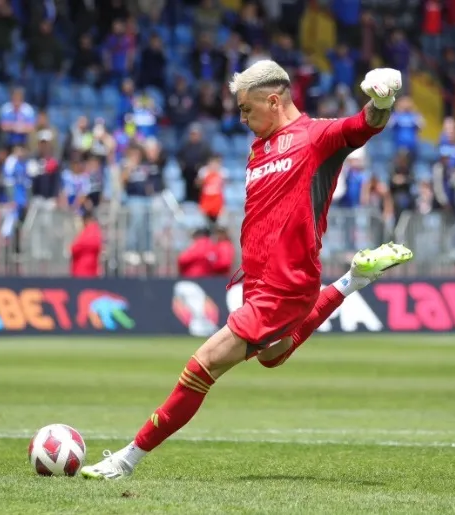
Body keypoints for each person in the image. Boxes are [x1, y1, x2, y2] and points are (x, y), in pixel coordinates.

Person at [80, 61, 414, 480]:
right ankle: (352, 280)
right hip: (256, 284)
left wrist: (381, 100)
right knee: (272, 356)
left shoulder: (315, 137)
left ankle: (125, 460)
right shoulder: (259, 147)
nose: (241, 119)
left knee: (202, 365)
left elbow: (363, 125)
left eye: (246, 109)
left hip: (286, 285)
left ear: (273, 101)